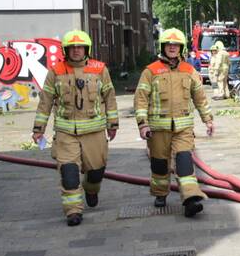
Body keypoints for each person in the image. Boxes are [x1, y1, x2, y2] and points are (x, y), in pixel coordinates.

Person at [31, 30, 118, 226]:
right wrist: (39, 129)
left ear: (86, 49)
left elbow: (110, 99)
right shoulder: (56, 71)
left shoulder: (99, 69)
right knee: (69, 173)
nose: (76, 51)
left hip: (94, 132)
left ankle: (91, 189)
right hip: (66, 133)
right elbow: (45, 102)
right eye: (72, 47)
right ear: (66, 50)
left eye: (80, 47)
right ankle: (73, 211)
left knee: (96, 173)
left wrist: (112, 125)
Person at [134, 28, 214, 217]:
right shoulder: (150, 71)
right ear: (163, 46)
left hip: (183, 128)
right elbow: (141, 99)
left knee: (184, 161)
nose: (172, 47)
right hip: (158, 129)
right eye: (168, 44)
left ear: (181, 47)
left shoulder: (189, 70)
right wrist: (142, 124)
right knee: (160, 165)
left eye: (175, 44)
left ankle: (190, 199)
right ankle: (160, 193)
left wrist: (208, 119)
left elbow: (200, 97)